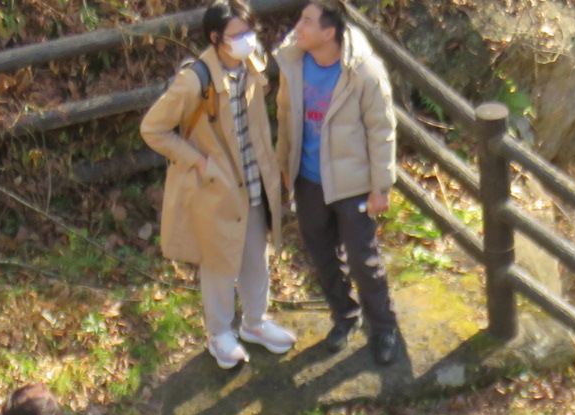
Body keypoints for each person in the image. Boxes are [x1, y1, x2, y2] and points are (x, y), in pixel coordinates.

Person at [140, 0, 295, 371]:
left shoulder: (253, 64)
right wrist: (200, 162)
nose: (246, 39)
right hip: (215, 185)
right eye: (237, 34)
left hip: (254, 178)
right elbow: (153, 129)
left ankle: (255, 322)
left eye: (249, 31)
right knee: (218, 261)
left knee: (256, 254)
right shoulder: (195, 79)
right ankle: (219, 334)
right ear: (215, 38)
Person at [274, 2, 401, 367]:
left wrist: (380, 187)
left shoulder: (363, 71)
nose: (298, 27)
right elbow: (285, 116)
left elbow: (381, 129)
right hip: (308, 178)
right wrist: (286, 166)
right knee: (322, 255)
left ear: (329, 32)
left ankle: (384, 327)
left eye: (307, 22)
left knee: (363, 259)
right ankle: (344, 315)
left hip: (352, 183)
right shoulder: (293, 61)